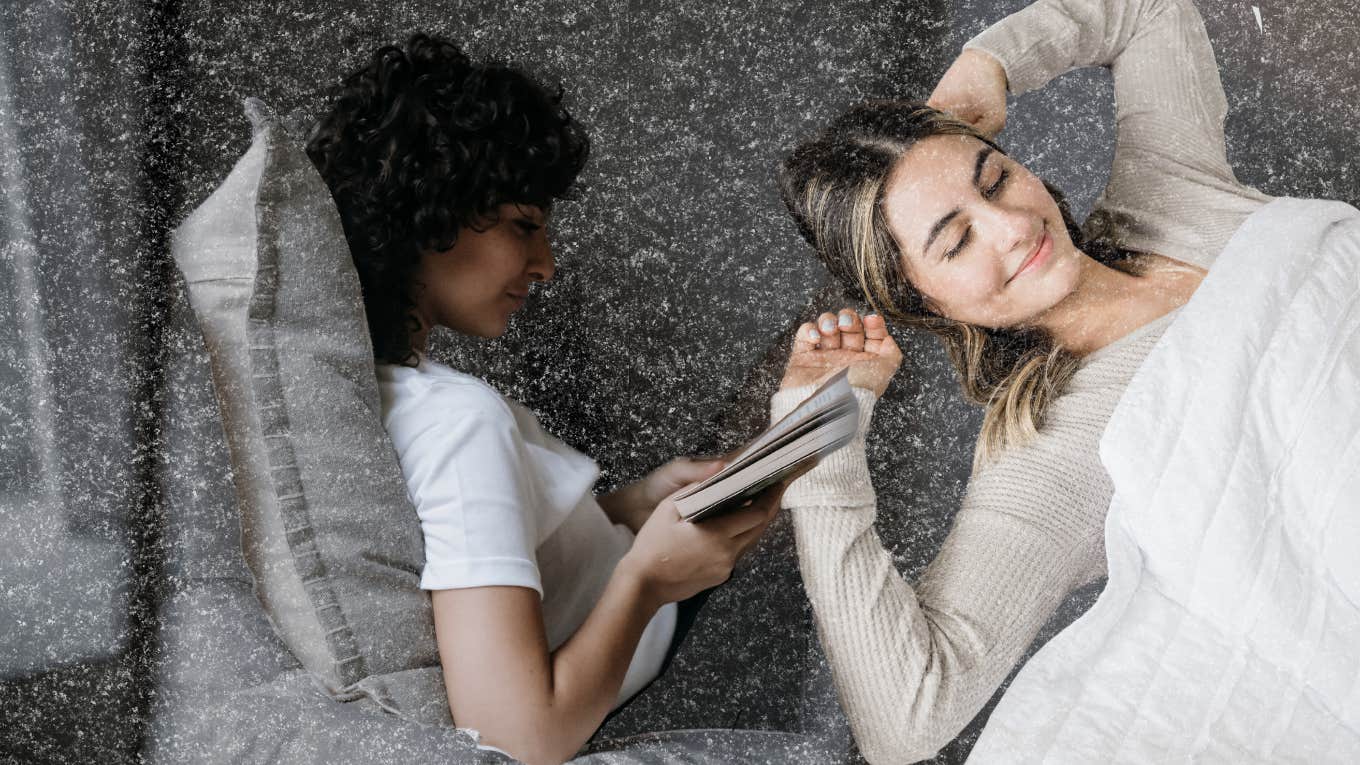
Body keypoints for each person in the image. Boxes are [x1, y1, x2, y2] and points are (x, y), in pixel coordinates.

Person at [770, 0, 1271, 761]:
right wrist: (816, 445)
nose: (1012, 225)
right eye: (957, 238)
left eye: (994, 178)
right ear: (923, 303)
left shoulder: (1170, 191)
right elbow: (903, 720)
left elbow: (1148, 12)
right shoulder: (1059, 455)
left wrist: (991, 63)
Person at [305, 34, 787, 765]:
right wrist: (650, 577)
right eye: (523, 227)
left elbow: (496, 542)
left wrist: (632, 505)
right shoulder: (458, 421)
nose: (547, 265)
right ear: (427, 218)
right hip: (654, 639)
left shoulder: (394, 395)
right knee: (799, 387)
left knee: (772, 411)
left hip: (624, 559)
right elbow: (517, 737)